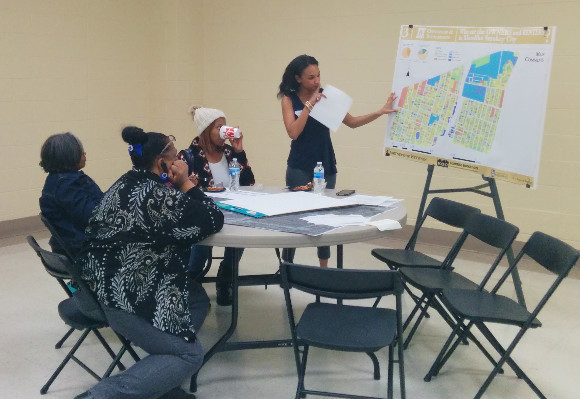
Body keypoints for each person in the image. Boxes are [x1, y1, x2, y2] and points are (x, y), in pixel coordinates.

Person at [74, 126, 224, 399]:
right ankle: (102, 395)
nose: (180, 158)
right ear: (162, 162)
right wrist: (186, 184)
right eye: (175, 154)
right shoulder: (160, 196)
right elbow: (212, 218)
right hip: (126, 297)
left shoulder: (121, 184)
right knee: (190, 355)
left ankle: (162, 366)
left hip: (94, 288)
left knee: (197, 298)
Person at [277, 54, 398, 267]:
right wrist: (309, 106)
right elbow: (293, 132)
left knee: (323, 216)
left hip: (324, 163)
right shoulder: (289, 98)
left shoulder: (325, 96)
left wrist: (381, 111)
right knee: (295, 217)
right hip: (299, 164)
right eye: (311, 77)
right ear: (298, 79)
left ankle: (324, 269)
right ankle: (287, 268)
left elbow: (352, 122)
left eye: (318, 76)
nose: (317, 82)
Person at [178, 106, 255, 306]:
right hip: (203, 215)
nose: (224, 131)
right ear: (206, 130)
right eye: (219, 127)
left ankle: (226, 278)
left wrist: (240, 151)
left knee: (242, 234)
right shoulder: (188, 157)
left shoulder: (229, 153)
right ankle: (191, 282)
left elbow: (248, 182)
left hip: (232, 212)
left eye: (224, 126)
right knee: (201, 240)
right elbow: (177, 192)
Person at [39, 132, 103, 258]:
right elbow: (93, 216)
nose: (84, 154)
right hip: (81, 250)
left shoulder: (58, 179)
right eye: (80, 151)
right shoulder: (67, 184)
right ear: (67, 156)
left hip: (72, 244)